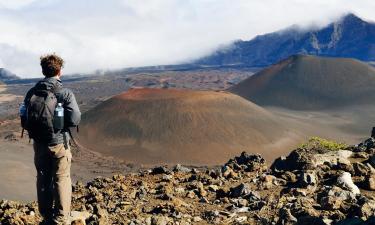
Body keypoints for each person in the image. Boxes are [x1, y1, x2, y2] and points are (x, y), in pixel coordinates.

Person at [23, 54, 81, 225]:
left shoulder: (32, 92)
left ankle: (47, 217)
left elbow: (24, 116)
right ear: (59, 71)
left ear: (43, 70)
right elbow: (75, 119)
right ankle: (62, 218)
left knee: (42, 177)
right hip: (59, 143)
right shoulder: (65, 92)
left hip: (39, 144)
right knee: (61, 177)